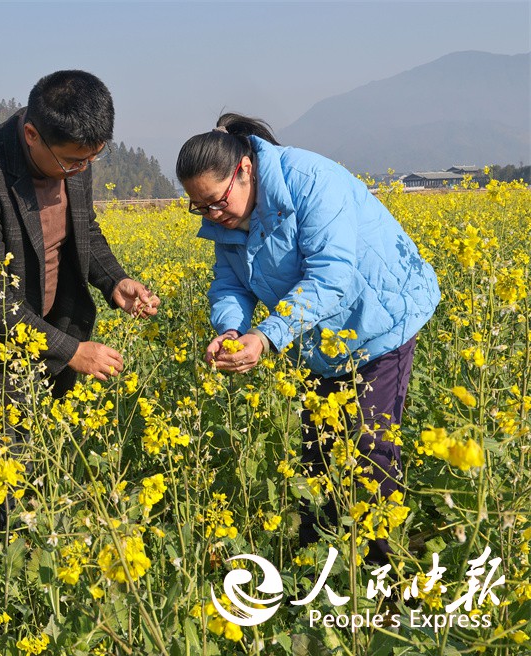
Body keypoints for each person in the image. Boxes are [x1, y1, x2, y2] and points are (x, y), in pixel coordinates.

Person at [177, 113, 440, 565]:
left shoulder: (310, 179)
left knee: (368, 453)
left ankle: (389, 584)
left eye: (215, 203)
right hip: (318, 341)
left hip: (379, 322)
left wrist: (268, 335)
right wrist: (233, 330)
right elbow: (229, 284)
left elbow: (332, 275)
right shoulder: (225, 215)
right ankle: (316, 571)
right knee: (317, 457)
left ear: (244, 169)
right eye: (198, 208)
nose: (211, 216)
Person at [0, 70, 159, 523]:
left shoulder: (72, 157)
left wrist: (114, 282)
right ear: (32, 134)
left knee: (39, 462)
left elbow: (82, 228)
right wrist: (73, 352)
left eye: (93, 158)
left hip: (45, 330)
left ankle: (27, 566)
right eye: (73, 161)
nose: (82, 169)